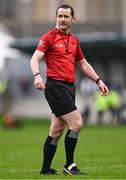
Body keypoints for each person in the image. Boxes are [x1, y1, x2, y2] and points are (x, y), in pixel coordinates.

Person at [30, 4, 109, 175]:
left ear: (73, 19)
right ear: (56, 17)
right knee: (77, 122)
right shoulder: (48, 37)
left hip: (69, 87)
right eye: (60, 16)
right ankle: (69, 165)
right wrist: (37, 75)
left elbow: (83, 63)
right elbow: (35, 58)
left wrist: (98, 80)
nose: (63, 20)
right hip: (55, 86)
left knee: (56, 130)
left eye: (66, 17)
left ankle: (45, 170)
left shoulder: (74, 40)